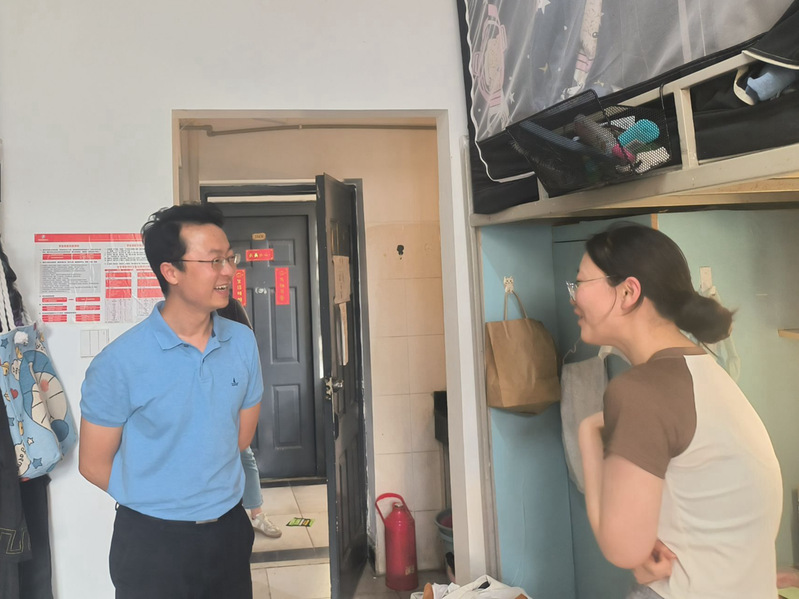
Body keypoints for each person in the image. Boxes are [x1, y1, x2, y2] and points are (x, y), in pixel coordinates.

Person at [573, 223, 782, 599]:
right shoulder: (704, 372)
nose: (574, 298)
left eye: (580, 283)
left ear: (628, 292)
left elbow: (623, 550)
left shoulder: (641, 391)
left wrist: (587, 433)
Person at [79, 204, 263, 599]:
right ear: (171, 272)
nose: (228, 271)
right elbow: (93, 464)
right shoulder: (119, 362)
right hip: (152, 544)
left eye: (229, 258)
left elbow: (240, 437)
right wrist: (164, 502)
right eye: (214, 261)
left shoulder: (242, 342)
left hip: (229, 532)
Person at [216, 297, 282, 539]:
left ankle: (256, 513)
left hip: (230, 390)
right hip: (201, 395)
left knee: (243, 454)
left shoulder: (230, 306)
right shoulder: (189, 308)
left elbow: (248, 343)